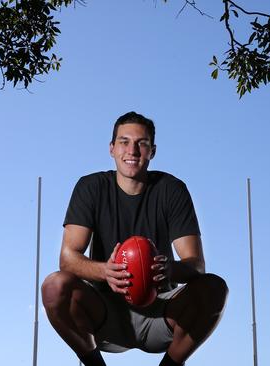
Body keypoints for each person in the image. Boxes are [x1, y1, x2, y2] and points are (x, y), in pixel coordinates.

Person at [41, 112, 228, 366]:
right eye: (124, 141)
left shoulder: (171, 189)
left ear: (152, 150)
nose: (132, 150)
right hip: (104, 311)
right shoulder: (91, 187)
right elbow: (68, 259)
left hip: (159, 311)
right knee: (54, 287)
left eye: (142, 143)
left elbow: (196, 265)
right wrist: (105, 271)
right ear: (111, 148)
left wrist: (169, 269)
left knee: (214, 288)